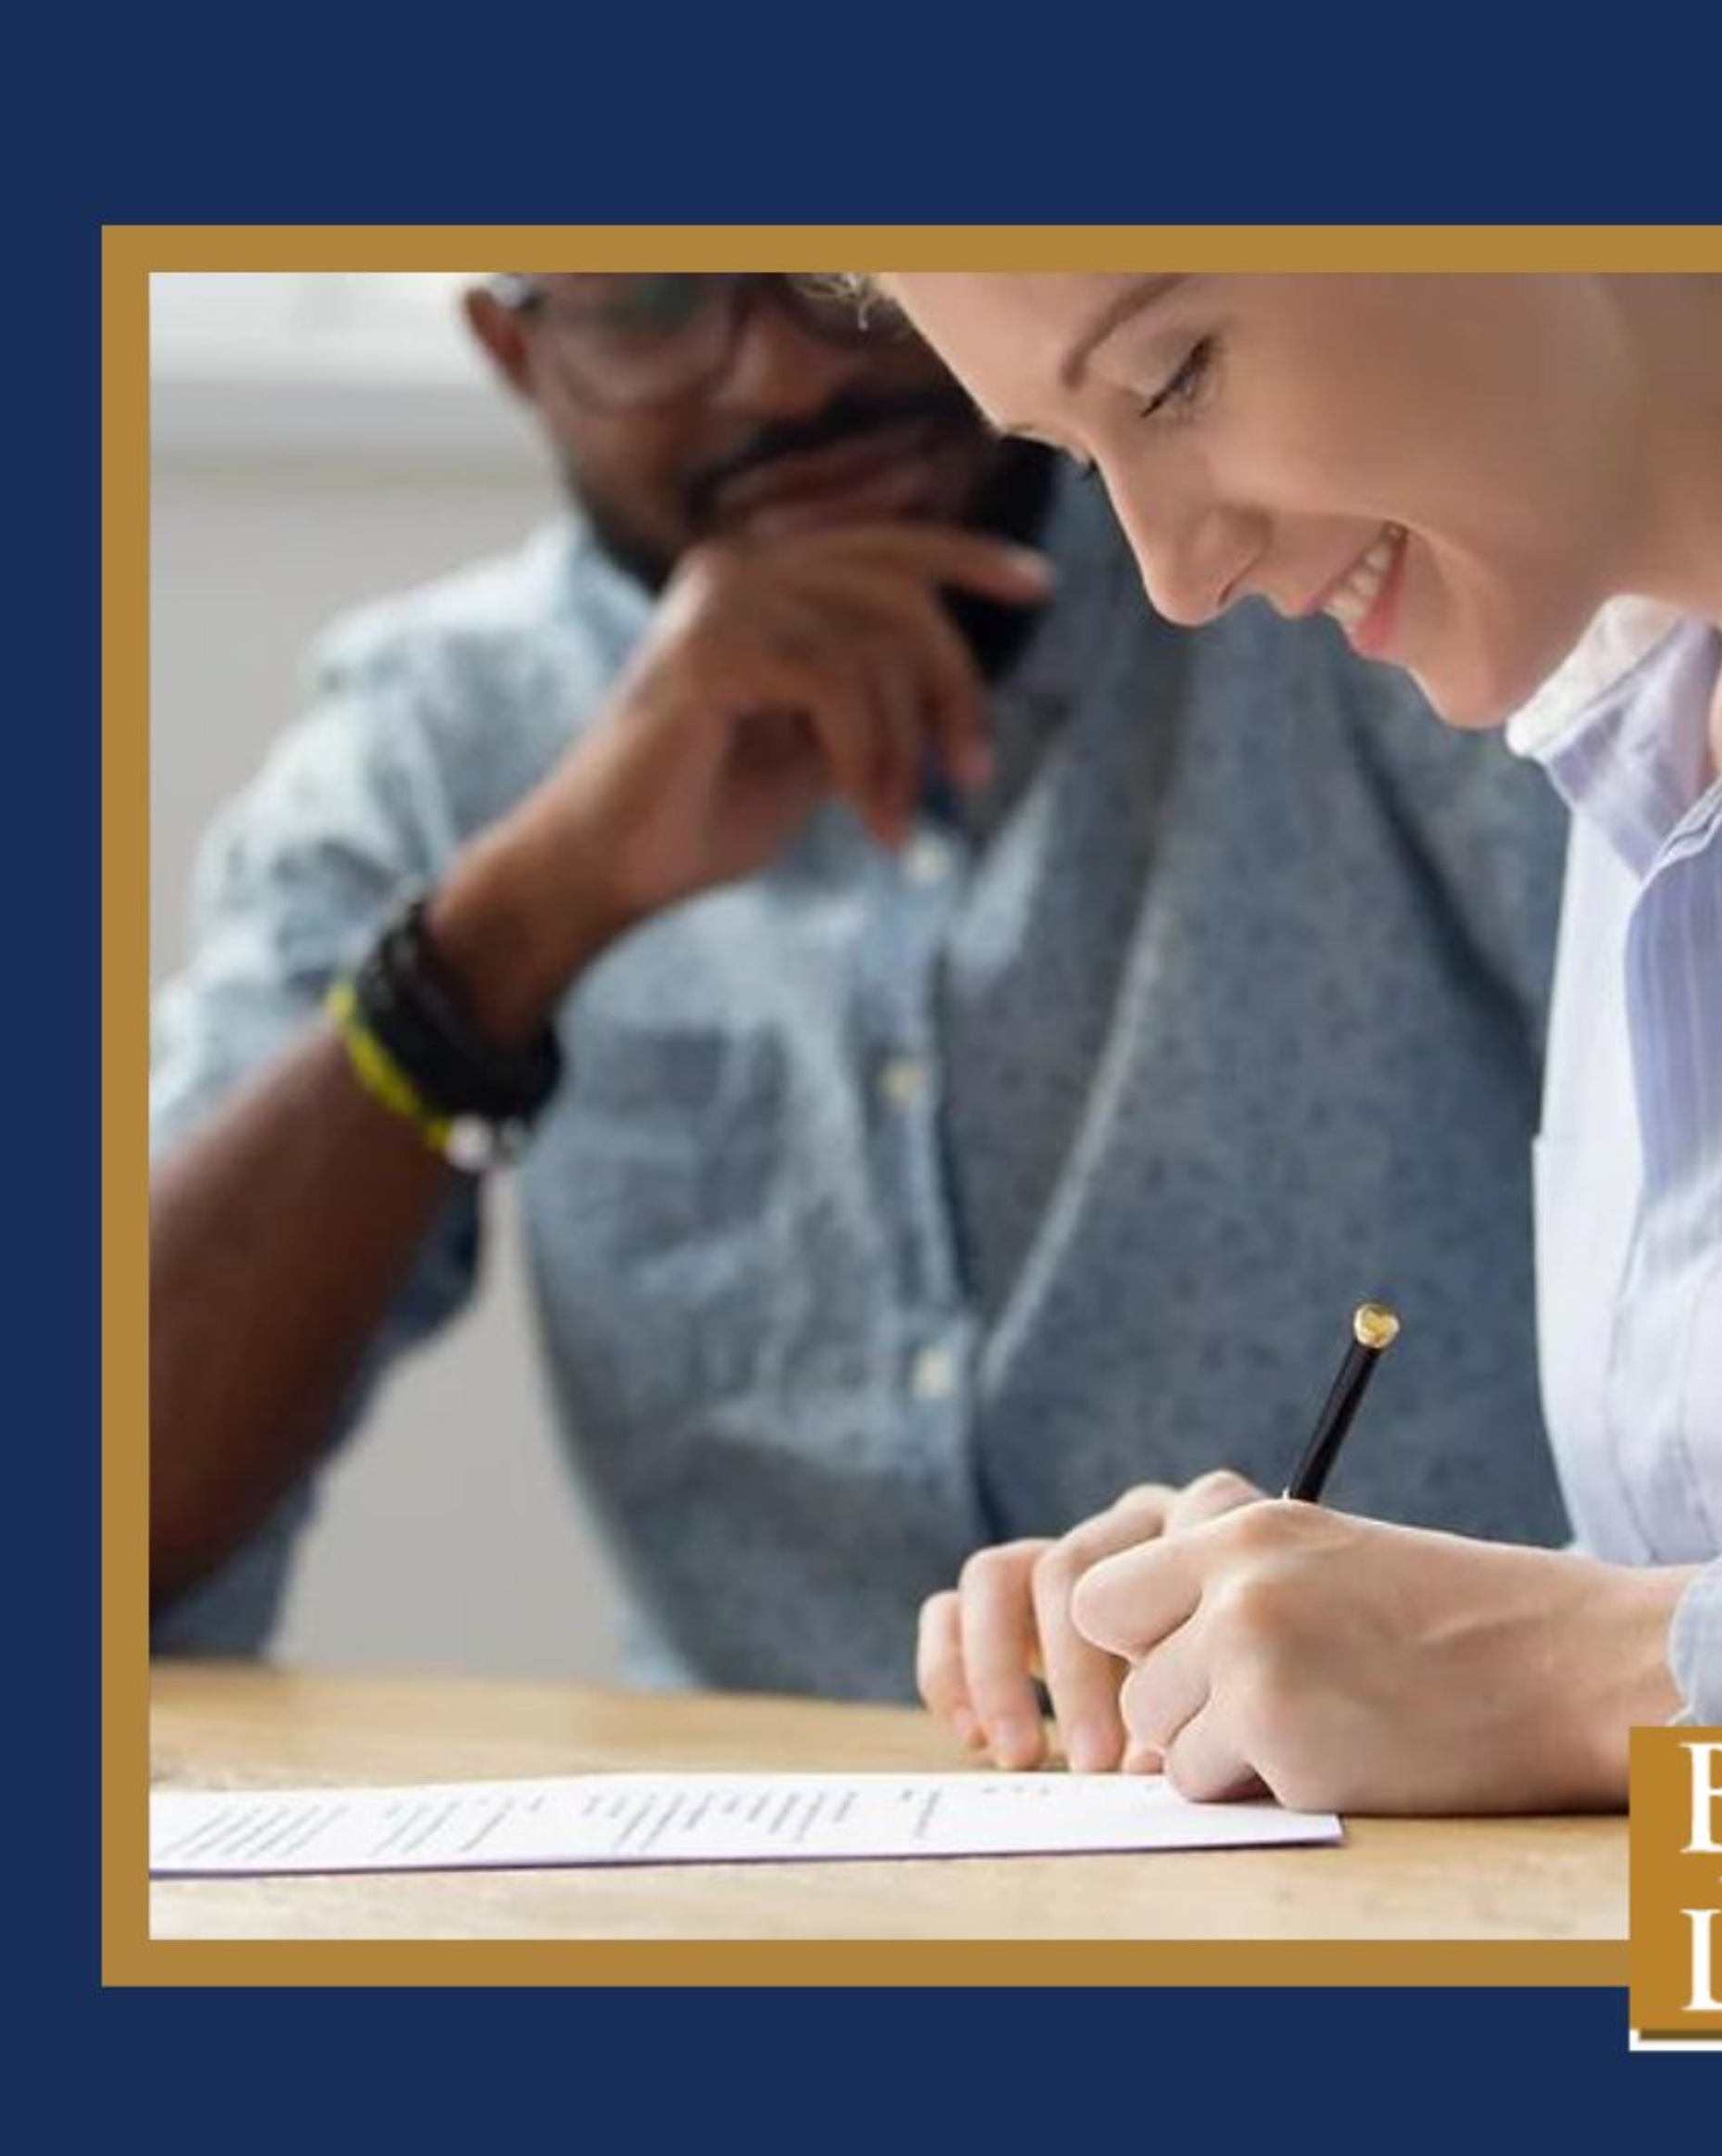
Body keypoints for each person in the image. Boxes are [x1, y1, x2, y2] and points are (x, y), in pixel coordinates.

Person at [150, 272, 1569, 1712]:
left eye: (847, 285)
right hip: (759, 1889)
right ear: (518, 351)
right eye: (653, 309)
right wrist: (511, 929)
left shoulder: (1339, 587)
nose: (782, 381)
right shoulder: (434, 744)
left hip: (1414, 1828)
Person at [880, 273, 1722, 1807]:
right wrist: (1312, 1629)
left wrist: (1578, 1673)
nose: (1175, 576)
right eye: (1073, 454)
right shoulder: (1645, 750)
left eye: (1175, 376)